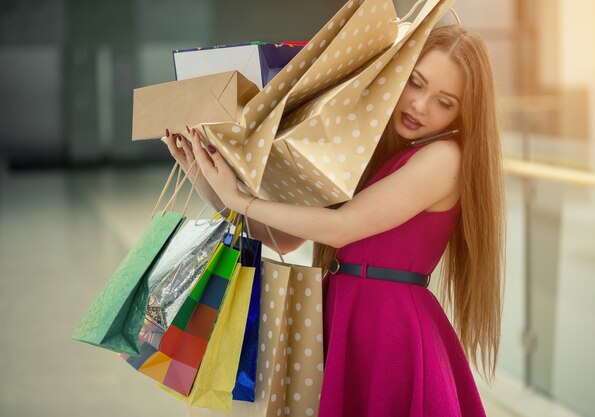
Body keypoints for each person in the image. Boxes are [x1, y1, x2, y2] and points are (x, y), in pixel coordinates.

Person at [166, 24, 504, 417]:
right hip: (341, 311)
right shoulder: (371, 151)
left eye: (445, 101)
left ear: (465, 111)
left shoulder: (446, 158)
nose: (420, 106)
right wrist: (203, 178)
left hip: (390, 329)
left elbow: (343, 227)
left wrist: (238, 198)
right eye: (415, 82)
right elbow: (283, 239)